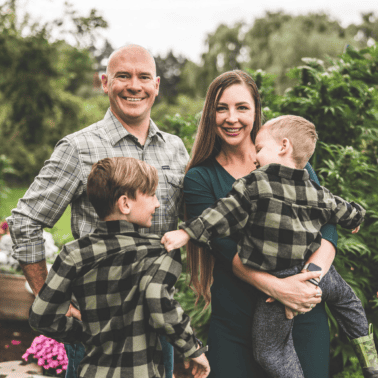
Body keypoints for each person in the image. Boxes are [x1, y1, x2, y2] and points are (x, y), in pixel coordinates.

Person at [7, 44, 189, 378]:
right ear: (105, 82)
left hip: (158, 322)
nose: (134, 85)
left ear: (157, 85)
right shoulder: (78, 148)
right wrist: (53, 297)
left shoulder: (176, 149)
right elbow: (25, 221)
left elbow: (192, 221)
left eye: (143, 77)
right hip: (99, 331)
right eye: (123, 76)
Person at [162, 115, 378, 378]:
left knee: (269, 350)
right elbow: (341, 208)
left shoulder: (255, 182)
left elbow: (221, 214)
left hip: (279, 280)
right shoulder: (314, 189)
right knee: (350, 305)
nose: (255, 158)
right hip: (320, 277)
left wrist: (186, 233)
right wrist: (356, 219)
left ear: (283, 146)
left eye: (260, 149)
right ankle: (370, 360)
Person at [29, 157, 210, 378]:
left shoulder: (74, 253)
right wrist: (194, 349)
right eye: (151, 194)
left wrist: (84, 332)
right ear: (125, 204)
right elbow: (160, 303)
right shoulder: (158, 252)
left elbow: (41, 316)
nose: (157, 203)